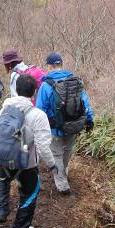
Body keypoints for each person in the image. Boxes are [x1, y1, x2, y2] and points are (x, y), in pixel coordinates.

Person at [0, 74, 57, 228]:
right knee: (30, 194)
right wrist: (52, 165)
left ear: (16, 89)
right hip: (25, 160)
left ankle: (0, 212)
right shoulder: (38, 115)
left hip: (3, 155)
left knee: (3, 178)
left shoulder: (5, 108)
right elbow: (42, 146)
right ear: (34, 92)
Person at [35, 52, 94, 195]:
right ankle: (63, 172)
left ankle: (62, 185)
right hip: (74, 125)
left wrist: (38, 129)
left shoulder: (46, 85)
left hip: (55, 128)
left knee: (56, 155)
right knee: (67, 151)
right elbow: (84, 102)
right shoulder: (76, 81)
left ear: (49, 66)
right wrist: (90, 119)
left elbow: (39, 110)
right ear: (61, 64)